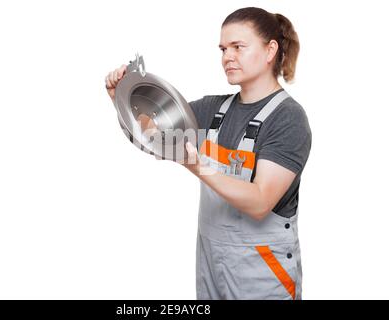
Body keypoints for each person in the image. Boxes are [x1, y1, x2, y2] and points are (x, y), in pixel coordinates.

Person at [105, 7, 311, 300]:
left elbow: (260, 201)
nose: (227, 57)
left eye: (238, 47)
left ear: (270, 50)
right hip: (213, 261)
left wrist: (195, 164)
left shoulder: (287, 118)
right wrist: (121, 99)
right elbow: (150, 137)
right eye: (223, 49)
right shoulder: (211, 110)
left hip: (263, 269)